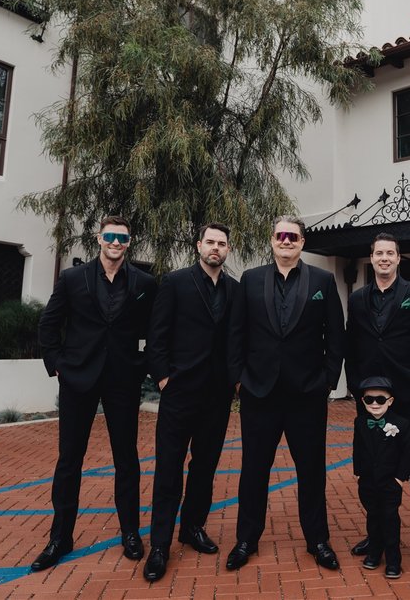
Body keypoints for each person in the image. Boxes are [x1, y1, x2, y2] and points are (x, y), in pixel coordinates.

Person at [32, 215, 157, 572]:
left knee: (127, 459)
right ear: (98, 238)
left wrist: (142, 365)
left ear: (129, 242)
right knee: (69, 459)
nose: (116, 242)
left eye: (122, 237)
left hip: (123, 381)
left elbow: (155, 329)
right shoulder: (73, 278)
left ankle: (130, 533)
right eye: (110, 236)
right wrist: (56, 364)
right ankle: (60, 537)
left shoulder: (145, 282)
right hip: (77, 379)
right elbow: (49, 323)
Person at [224, 215, 345, 571]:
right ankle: (246, 539)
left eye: (293, 235)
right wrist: (238, 379)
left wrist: (327, 381)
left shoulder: (322, 280)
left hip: (307, 393)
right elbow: (236, 334)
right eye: (281, 235)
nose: (287, 240)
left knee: (311, 471)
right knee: (254, 470)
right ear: (272, 240)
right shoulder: (251, 279)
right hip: (259, 392)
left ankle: (318, 539)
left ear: (302, 242)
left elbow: (335, 335)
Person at [344, 233, 410, 578]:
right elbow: (352, 346)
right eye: (378, 253)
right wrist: (358, 387)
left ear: (399, 258)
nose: (384, 258)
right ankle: (377, 537)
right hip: (370, 401)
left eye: (390, 253)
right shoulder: (357, 299)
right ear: (370, 258)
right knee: (374, 473)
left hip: (408, 399)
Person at [142, 223, 238, 582]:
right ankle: (160, 545)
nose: (216, 248)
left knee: (205, 467)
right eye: (210, 242)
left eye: (222, 244)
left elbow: (235, 339)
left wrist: (234, 382)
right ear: (199, 245)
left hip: (217, 395)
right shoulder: (176, 282)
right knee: (169, 469)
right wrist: (165, 379)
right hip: (179, 392)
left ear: (228, 250)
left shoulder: (235, 289)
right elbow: (157, 336)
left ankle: (193, 527)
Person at [352, 376, 410, 580]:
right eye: (369, 400)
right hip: (368, 481)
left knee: (390, 519)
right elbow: (357, 448)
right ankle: (375, 553)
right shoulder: (360, 422)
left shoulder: (401, 424)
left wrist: (400, 479)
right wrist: (358, 472)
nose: (375, 404)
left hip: (390, 483)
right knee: (373, 517)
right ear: (363, 402)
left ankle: (393, 559)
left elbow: (407, 455)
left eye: (380, 399)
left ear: (390, 401)